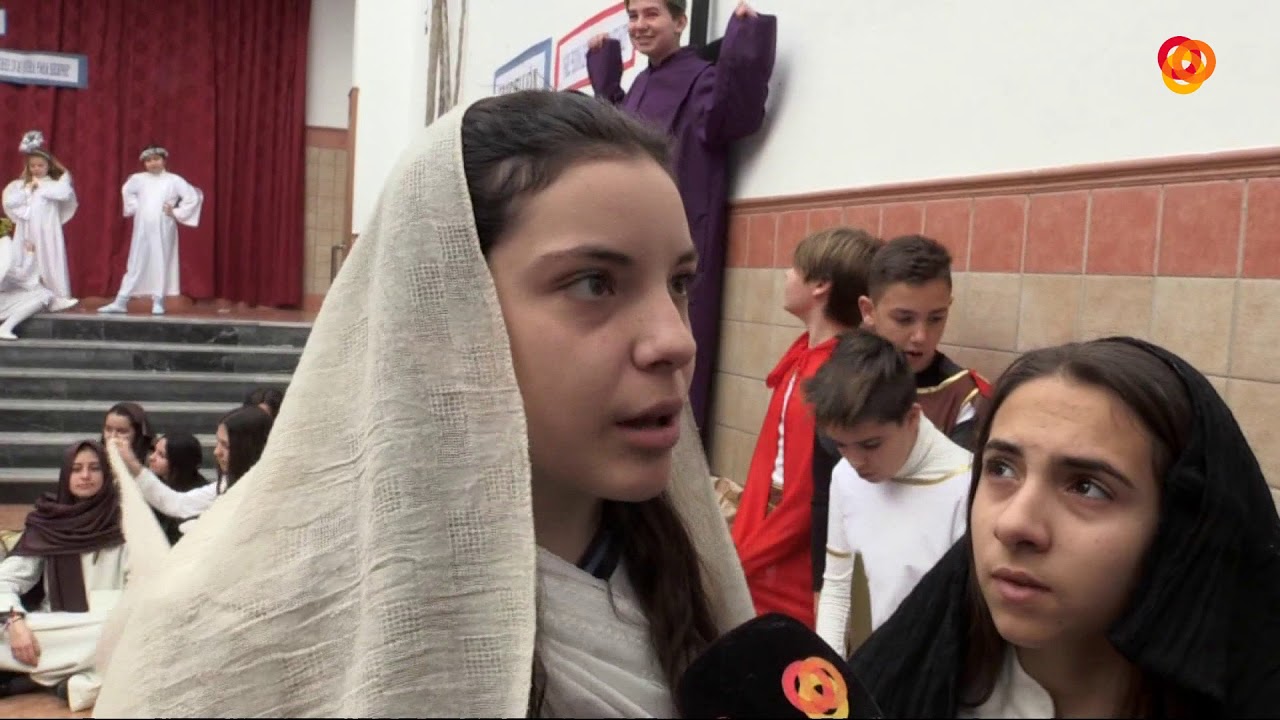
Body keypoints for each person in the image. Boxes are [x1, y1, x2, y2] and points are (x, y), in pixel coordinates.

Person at [92, 90, 753, 717]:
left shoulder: (687, 581)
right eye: (593, 283)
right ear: (443, 311)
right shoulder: (234, 637)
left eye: (679, 283)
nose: (676, 340)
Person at [849, 338, 1280, 717]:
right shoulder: (908, 688)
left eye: (1087, 487)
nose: (1014, 524)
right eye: (1001, 468)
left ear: (1177, 532)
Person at [586, 0, 776, 446]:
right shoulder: (639, 86)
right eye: (633, 17)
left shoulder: (700, 78)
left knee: (672, 358)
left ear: (680, 21)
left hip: (679, 242)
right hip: (625, 240)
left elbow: (735, 113)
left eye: (651, 14)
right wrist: (605, 67)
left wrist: (745, 40)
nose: (640, 25)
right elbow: (613, 136)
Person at [729, 227, 880, 629]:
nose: (785, 274)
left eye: (794, 268)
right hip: (765, 536)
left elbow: (808, 493)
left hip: (786, 559)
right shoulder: (806, 356)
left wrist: (746, 557)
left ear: (820, 285)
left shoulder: (834, 374)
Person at [805, 330, 971, 657]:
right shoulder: (844, 476)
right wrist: (828, 675)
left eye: (870, 445)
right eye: (841, 445)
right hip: (870, 667)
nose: (855, 461)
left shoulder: (966, 487)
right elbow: (837, 587)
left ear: (912, 418)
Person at [0, 441, 127, 712]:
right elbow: (4, 581)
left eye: (94, 468)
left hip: (105, 625)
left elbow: (142, 586)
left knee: (126, 631)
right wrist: (15, 622)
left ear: (107, 473)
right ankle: (76, 675)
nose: (85, 476)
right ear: (65, 474)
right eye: (76, 469)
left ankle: (44, 678)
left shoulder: (125, 520)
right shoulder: (48, 523)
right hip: (57, 627)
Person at [859, 234, 990, 450]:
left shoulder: (963, 396)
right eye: (904, 319)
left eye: (936, 318)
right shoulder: (840, 378)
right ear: (868, 311)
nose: (921, 336)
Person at [98, 145, 203, 316]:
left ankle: (158, 300)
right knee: (136, 261)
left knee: (160, 260)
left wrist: (176, 212)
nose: (152, 163)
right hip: (142, 227)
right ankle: (121, 301)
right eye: (148, 160)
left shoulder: (174, 180)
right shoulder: (138, 179)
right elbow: (127, 191)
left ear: (164, 160)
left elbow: (193, 196)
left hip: (163, 226)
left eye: (156, 159)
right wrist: (135, 207)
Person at [2, 131, 78, 305]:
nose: (36, 169)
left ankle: (56, 296)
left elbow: (65, 191)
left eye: (40, 165)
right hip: (27, 231)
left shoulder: (54, 185)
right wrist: (28, 190)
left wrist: (49, 177)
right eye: (33, 166)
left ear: (48, 166)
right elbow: (10, 202)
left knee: (49, 258)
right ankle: (26, 296)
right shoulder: (22, 186)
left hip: (47, 230)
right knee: (26, 259)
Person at [0, 233, 71, 341]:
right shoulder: (3, 265)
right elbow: (22, 276)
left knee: (39, 291)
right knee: (42, 296)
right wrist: (30, 254)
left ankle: (53, 301)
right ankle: (6, 327)